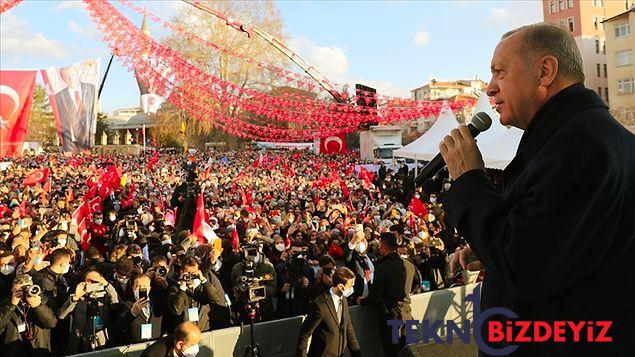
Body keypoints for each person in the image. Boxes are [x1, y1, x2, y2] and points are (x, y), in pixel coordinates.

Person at [441, 23, 635, 356]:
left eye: (499, 72)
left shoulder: (578, 146)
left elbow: (525, 268)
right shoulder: (579, 135)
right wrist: (488, 248)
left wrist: (469, 179)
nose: (490, 89)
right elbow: (558, 244)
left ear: (545, 71)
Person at [358, 232, 412, 356]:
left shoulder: (382, 268)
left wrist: (362, 301)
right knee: (410, 350)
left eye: (380, 247)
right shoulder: (407, 265)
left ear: (384, 248)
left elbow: (375, 297)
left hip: (391, 316)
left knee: (393, 351)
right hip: (407, 313)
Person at [296, 267, 361, 357]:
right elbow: (304, 334)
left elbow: (348, 329)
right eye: (350, 286)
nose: (352, 289)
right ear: (341, 287)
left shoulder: (344, 300)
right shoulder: (320, 304)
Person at [0, 274, 58, 357]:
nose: (23, 294)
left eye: (26, 290)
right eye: (18, 291)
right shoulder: (4, 304)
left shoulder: (43, 300)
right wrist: (12, 305)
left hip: (38, 350)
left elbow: (51, 323)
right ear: (12, 290)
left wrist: (38, 306)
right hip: (13, 351)